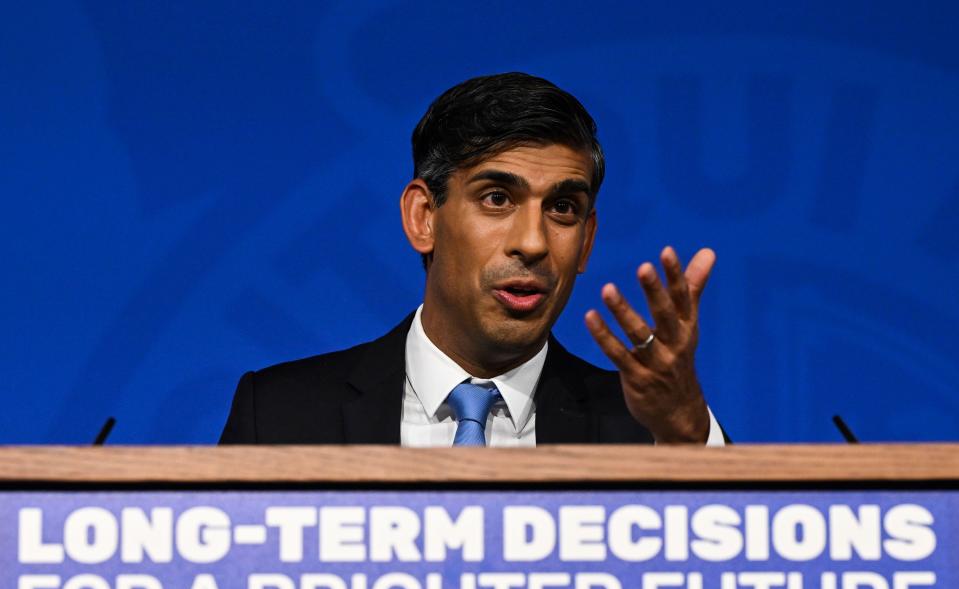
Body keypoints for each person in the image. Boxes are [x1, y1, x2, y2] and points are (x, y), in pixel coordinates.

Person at [220, 72, 725, 447]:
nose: (533, 242)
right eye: (497, 199)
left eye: (563, 208)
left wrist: (685, 435)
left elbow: (727, 583)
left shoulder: (645, 429)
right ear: (424, 217)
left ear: (587, 241)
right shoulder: (282, 415)